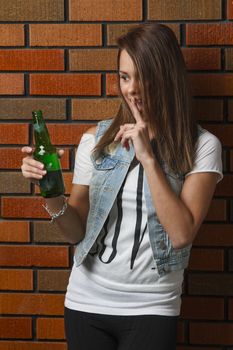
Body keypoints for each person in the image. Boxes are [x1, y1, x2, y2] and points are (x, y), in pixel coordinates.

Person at [21, 22, 223, 350]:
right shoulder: (95, 141)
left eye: (143, 77)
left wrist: (149, 159)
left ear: (167, 77)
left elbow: (182, 234)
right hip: (86, 302)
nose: (132, 89)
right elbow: (76, 232)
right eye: (124, 77)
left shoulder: (201, 146)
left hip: (152, 306)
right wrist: (51, 191)